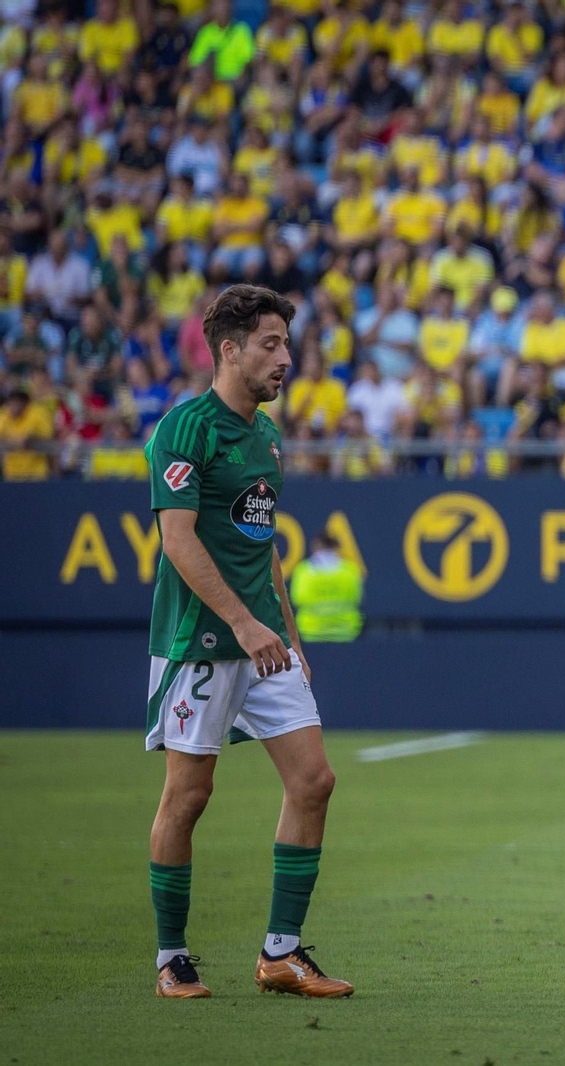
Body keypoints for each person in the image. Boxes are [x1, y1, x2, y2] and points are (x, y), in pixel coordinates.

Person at [142, 286, 350, 1000]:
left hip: (263, 639)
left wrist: (286, 632)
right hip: (200, 641)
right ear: (228, 350)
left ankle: (280, 955)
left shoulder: (265, 436)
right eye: (270, 344)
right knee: (188, 796)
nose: (285, 359)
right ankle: (172, 957)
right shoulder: (183, 429)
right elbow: (178, 541)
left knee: (314, 780)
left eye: (286, 345)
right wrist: (243, 622)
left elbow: (261, 546)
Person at [289, 533, 364, 642]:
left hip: (311, 631)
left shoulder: (303, 571)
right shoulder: (350, 571)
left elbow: (296, 599)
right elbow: (357, 598)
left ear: (315, 547)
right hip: (345, 632)